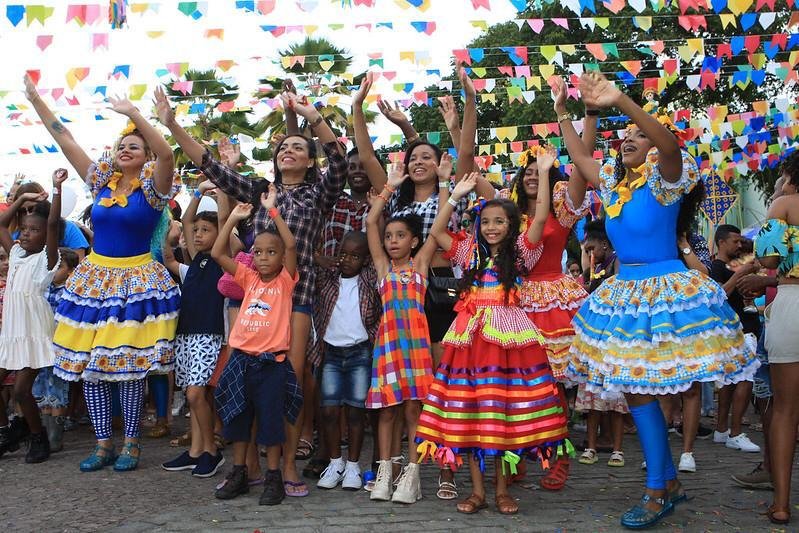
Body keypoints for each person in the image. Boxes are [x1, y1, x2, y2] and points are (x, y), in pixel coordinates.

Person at [561, 71, 758, 529]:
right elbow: (578, 155)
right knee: (636, 389)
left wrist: (622, 102)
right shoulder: (613, 185)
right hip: (624, 293)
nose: (628, 139)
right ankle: (666, 482)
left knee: (643, 389)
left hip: (664, 292)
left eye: (636, 135)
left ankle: (657, 489)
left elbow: (668, 145)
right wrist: (567, 113)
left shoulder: (667, 179)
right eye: (624, 136)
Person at [156, 87, 346, 496]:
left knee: (288, 380)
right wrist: (171, 123)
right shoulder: (260, 193)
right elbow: (211, 166)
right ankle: (251, 465)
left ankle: (288, 465)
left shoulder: (319, 193)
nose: (288, 151)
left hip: (299, 291)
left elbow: (340, 163)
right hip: (253, 297)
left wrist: (312, 116)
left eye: (298, 148)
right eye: (283, 147)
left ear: (309, 160)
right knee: (248, 380)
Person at [25, 75, 182, 472]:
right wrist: (37, 101)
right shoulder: (100, 181)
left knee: (127, 367)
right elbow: (66, 140)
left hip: (137, 282)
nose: (125, 149)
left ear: (144, 155)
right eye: (121, 145)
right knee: (92, 365)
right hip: (96, 281)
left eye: (134, 146)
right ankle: (103, 443)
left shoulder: (153, 188)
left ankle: (131, 443)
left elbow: (166, 155)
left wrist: (135, 115)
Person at [353, 69, 490, 500]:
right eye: (412, 157)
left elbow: (462, 152)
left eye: (426, 157)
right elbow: (369, 158)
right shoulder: (394, 202)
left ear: (438, 163)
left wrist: (467, 103)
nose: (418, 162)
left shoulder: (452, 190)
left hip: (444, 288)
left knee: (439, 384)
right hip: (401, 303)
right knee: (400, 395)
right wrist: (358, 108)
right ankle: (392, 469)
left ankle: (445, 469)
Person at [417, 157, 569, 515]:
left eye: (499, 221)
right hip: (469, 343)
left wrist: (544, 173)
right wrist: (454, 195)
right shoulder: (469, 253)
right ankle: (478, 492)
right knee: (472, 414)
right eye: (485, 222)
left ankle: (502, 491)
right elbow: (438, 232)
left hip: (507, 346)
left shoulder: (521, 253)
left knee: (500, 416)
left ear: (513, 225)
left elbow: (544, 215)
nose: (491, 227)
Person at [211, 187, 299, 505]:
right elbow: (218, 254)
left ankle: (273, 478)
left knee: (271, 422)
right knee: (238, 418)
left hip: (270, 364)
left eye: (270, 252)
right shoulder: (248, 278)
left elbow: (290, 243)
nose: (263, 257)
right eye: (258, 252)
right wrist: (233, 218)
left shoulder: (285, 281)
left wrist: (273, 211)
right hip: (240, 361)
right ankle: (240, 473)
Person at [364, 161, 439, 504]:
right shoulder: (382, 268)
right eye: (389, 237)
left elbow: (439, 224)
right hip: (389, 346)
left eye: (400, 236)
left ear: (414, 241)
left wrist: (449, 184)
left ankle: (412, 474)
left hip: (417, 347)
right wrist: (389, 188)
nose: (392, 241)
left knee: (413, 411)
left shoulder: (421, 266)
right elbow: (370, 222)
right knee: (387, 410)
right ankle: (384, 472)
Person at [161, 180, 226, 478]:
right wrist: (197, 193)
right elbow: (173, 250)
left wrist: (221, 193)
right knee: (191, 395)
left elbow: (224, 223)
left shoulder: (222, 260)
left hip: (208, 335)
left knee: (196, 395)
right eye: (196, 231)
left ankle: (212, 451)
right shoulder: (194, 265)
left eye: (205, 230)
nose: (198, 234)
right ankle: (196, 450)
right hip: (186, 336)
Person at [0, 169, 62, 462]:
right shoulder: (15, 254)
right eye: (24, 228)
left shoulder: (46, 260)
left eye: (33, 230)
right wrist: (22, 197)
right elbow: (1, 223)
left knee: (22, 391)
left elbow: (51, 224)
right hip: (12, 334)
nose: (26, 233)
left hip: (35, 333)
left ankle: (38, 438)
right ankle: (11, 430)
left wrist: (56, 189)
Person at [313, 231, 381, 491]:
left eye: (355, 256)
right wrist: (323, 259)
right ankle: (335, 462)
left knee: (355, 411)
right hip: (331, 352)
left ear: (365, 260)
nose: (347, 260)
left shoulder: (369, 278)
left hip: (360, 352)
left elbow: (378, 254)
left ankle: (353, 466)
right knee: (329, 411)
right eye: (343, 253)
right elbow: (308, 257)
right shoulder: (328, 278)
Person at [753, 151, 799, 524]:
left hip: (792, 303)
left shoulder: (783, 204)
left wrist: (777, 202)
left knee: (785, 410)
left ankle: (782, 504)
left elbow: (769, 259)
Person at [709, 224, 761, 453]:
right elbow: (720, 294)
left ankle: (722, 429)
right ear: (721, 242)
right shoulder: (716, 267)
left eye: (741, 241)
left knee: (731, 381)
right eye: (735, 241)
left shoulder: (732, 266)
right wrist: (741, 274)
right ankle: (736, 431)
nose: (739, 245)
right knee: (745, 377)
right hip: (735, 329)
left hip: (740, 326)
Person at [34, 247, 80, 453]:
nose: (53, 270)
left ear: (70, 271)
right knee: (41, 386)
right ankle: (45, 428)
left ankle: (55, 434)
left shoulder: (71, 292)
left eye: (59, 266)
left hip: (60, 348)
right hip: (41, 345)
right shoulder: (43, 288)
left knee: (58, 388)